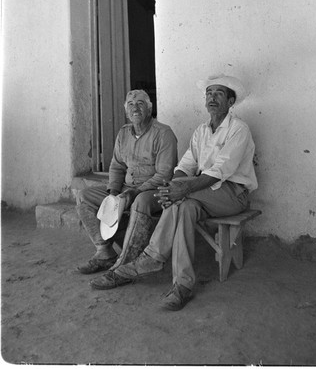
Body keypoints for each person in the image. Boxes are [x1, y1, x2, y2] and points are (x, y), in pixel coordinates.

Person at [90, 75, 258, 312]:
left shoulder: (239, 129)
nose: (212, 98)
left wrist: (183, 188)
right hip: (202, 193)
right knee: (183, 207)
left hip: (232, 193)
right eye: (209, 93)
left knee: (182, 199)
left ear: (231, 101)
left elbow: (221, 170)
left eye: (219, 93)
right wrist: (174, 186)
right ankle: (182, 286)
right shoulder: (201, 131)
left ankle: (152, 256)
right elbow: (185, 165)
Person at [77, 89, 178, 274]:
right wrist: (113, 193)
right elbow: (117, 166)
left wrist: (135, 192)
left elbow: (164, 175)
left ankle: (127, 262)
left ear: (149, 108)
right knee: (85, 196)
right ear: (126, 111)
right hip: (125, 189)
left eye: (140, 103)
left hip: (153, 191)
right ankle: (104, 252)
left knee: (139, 201)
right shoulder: (123, 133)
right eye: (131, 104)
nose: (135, 108)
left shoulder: (163, 133)